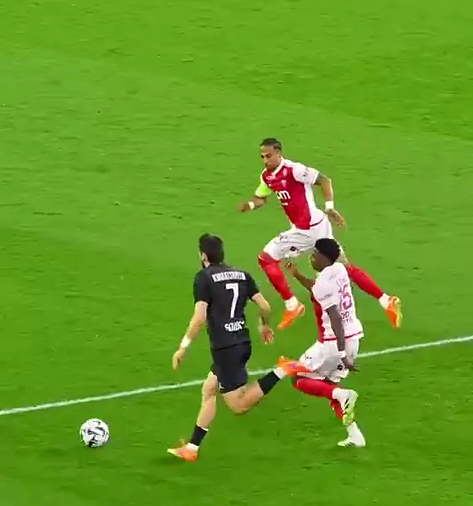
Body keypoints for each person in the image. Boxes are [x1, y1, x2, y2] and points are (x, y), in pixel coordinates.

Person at [238, 137, 402, 331]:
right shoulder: (267, 176)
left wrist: (330, 207)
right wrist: (250, 204)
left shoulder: (294, 170)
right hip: (317, 227)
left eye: (269, 156)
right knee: (345, 267)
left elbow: (324, 180)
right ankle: (387, 301)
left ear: (279, 153)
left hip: (307, 230)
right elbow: (261, 197)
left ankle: (292, 305)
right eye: (262, 157)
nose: (265, 160)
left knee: (266, 259)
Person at [167, 234, 290, 462]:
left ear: (204, 255)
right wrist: (263, 325)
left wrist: (182, 347)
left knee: (238, 406)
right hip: (241, 342)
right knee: (209, 389)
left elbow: (199, 318)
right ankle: (192, 448)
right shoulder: (242, 274)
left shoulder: (204, 278)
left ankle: (282, 370)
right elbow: (265, 306)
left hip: (225, 349)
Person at [280, 238, 366, 448]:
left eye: (314, 254)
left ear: (323, 257)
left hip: (333, 343)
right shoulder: (339, 270)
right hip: (353, 338)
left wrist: (341, 353)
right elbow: (317, 288)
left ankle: (343, 395)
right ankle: (355, 435)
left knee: (298, 377)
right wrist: (297, 275)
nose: (311, 258)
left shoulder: (323, 284)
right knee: (328, 386)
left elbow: (334, 317)